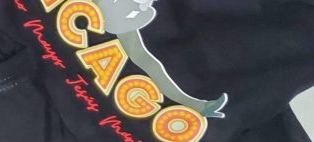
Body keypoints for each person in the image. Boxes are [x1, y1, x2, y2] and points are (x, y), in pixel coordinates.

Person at [95, 0, 228, 117]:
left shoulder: (140, 13)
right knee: (147, 61)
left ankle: (197, 106)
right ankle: (197, 106)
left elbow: (121, 24)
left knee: (149, 63)